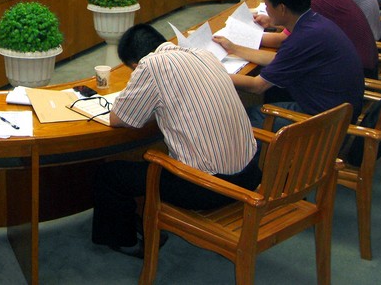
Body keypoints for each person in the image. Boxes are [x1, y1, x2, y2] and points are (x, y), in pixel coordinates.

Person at [91, 24, 261, 256]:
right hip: (249, 175)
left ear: (135, 64)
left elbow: (119, 119)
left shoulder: (150, 65)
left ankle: (125, 242)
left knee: (110, 175)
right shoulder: (204, 55)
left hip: (209, 188)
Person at [214, 0, 364, 128]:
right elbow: (279, 59)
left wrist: (211, 73)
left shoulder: (303, 38)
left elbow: (257, 86)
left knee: (240, 119)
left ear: (282, 8)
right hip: (336, 109)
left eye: (267, 6)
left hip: (326, 122)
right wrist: (234, 48)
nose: (266, 10)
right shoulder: (313, 22)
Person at [283, 0, 377, 76]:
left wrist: (259, 34)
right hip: (361, 60)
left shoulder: (315, 0)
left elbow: (284, 39)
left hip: (356, 71)